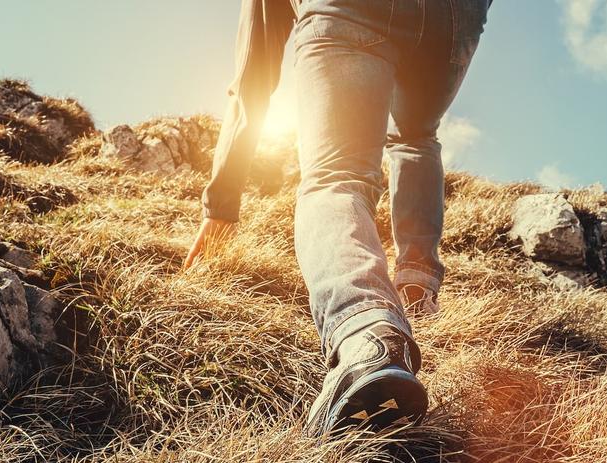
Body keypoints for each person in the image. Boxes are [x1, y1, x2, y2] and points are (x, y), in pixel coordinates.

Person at [184, 0, 490, 437]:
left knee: (336, 177)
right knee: (418, 137)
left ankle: (367, 331)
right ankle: (418, 289)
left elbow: (253, 79)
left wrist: (221, 205)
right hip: (455, 17)